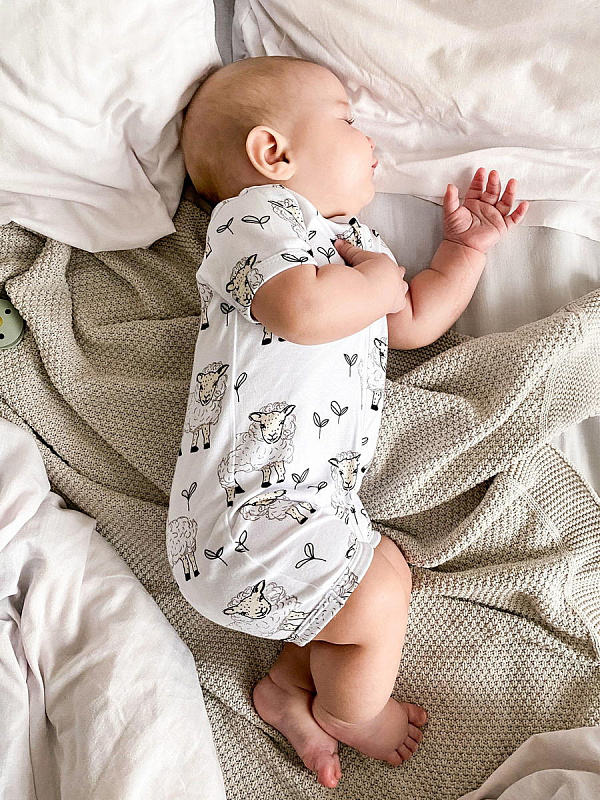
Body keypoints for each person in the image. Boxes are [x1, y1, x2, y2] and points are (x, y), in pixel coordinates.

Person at [167, 54, 529, 789]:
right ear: (273, 153)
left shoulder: (355, 243)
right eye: (348, 121)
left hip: (301, 509)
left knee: (371, 576)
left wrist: (462, 253)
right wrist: (376, 279)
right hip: (248, 514)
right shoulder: (256, 219)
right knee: (380, 590)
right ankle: (350, 712)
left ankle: (288, 687)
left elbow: (411, 319)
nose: (371, 142)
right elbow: (300, 310)